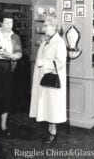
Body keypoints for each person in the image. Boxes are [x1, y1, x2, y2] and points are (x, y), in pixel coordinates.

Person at [29, 16, 67, 144]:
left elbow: (60, 62)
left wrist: (43, 63)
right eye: (44, 25)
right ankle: (49, 129)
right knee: (47, 104)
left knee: (53, 105)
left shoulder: (59, 42)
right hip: (44, 77)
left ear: (54, 27)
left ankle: (53, 132)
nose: (44, 28)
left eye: (46, 25)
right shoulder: (46, 40)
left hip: (52, 78)